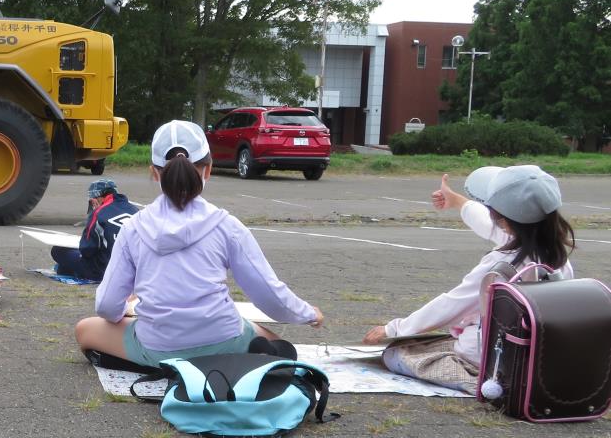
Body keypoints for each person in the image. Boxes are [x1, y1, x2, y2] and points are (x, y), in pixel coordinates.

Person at [76, 121, 323, 368]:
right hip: (224, 339)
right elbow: (268, 294)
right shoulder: (226, 225)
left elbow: (107, 306)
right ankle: (245, 357)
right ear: (208, 170)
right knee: (263, 336)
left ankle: (162, 365)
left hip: (158, 345)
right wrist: (308, 313)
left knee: (85, 329)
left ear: (154, 172)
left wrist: (126, 312)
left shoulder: (133, 228)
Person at [363, 166, 574, 393]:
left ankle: (485, 385)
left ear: (504, 220)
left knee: (395, 354)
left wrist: (394, 329)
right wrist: (457, 201)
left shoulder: (501, 265)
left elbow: (453, 303)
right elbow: (489, 226)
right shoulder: (555, 256)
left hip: (491, 351)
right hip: (538, 352)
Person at [51, 178, 142, 282]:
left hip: (104, 270)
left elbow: (87, 250)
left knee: (58, 251)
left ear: (95, 199)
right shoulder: (135, 211)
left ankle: (68, 270)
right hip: (134, 269)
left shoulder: (98, 213)